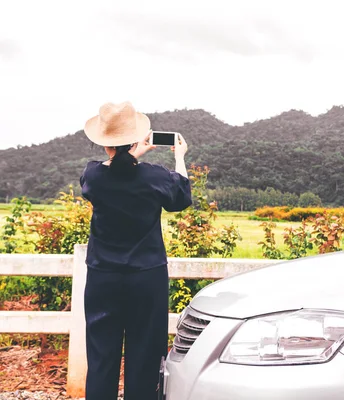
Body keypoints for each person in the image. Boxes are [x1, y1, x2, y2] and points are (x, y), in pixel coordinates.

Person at [79, 101, 193, 399]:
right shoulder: (154, 177)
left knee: (102, 357)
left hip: (103, 278)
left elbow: (112, 172)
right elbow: (180, 196)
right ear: (135, 140)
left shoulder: (92, 177)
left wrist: (129, 156)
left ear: (106, 144)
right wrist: (179, 157)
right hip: (146, 278)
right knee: (144, 357)